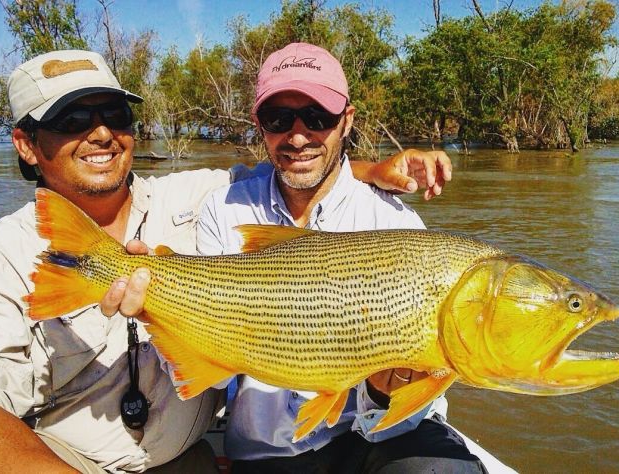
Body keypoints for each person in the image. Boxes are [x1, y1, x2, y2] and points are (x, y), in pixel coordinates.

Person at [0, 49, 450, 473]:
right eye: (71, 119)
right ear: (26, 144)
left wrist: (374, 168)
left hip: (187, 458)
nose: (102, 132)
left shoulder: (198, 194)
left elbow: (299, 167)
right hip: (66, 462)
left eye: (115, 114)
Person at [194, 42, 487, 473]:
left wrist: (385, 394)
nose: (297, 136)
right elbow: (211, 377)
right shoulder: (223, 210)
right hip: (268, 451)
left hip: (375, 438)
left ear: (346, 121)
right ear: (260, 125)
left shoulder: (392, 220)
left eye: (318, 117)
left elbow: (414, 405)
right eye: (279, 119)